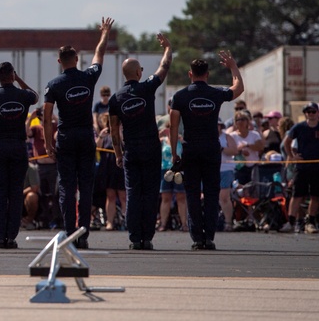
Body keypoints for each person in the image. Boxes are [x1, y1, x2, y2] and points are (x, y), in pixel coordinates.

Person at [43, 17, 113, 249]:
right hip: (85, 137)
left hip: (65, 137)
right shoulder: (88, 77)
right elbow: (99, 54)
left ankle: (69, 232)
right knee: (85, 187)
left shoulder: (54, 84)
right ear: (75, 59)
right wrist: (104, 33)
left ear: (59, 61)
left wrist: (47, 143)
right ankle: (82, 234)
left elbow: (46, 115)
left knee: (66, 187)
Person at [169, 51, 244, 251]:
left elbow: (173, 126)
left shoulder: (180, 96)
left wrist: (175, 152)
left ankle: (197, 238)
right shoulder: (215, 93)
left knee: (192, 193)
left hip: (190, 148)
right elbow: (238, 89)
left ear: (189, 74)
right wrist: (233, 66)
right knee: (212, 193)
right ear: (207, 74)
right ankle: (209, 237)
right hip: (211, 148)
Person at [108, 33, 172, 250]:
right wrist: (167, 48)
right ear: (138, 72)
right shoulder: (147, 87)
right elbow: (164, 67)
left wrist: (118, 154)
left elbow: (114, 130)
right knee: (150, 192)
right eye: (142, 70)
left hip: (131, 149)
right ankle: (147, 237)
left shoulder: (116, 98)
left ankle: (135, 238)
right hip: (150, 147)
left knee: (133, 192)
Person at [0, 62, 38, 249]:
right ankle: (11, 237)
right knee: (15, 194)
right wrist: (18, 79)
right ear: (12, 75)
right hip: (18, 148)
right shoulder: (23, 95)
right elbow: (35, 97)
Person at [284, 102, 319, 234]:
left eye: (313, 111)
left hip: (318, 165)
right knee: (297, 194)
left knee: (315, 196)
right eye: (308, 112)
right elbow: (287, 141)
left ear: (318, 113)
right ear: (305, 114)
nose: (311, 114)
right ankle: (290, 222)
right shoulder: (299, 127)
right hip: (302, 166)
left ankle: (310, 222)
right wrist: (292, 156)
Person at [228, 110, 264, 186]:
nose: (240, 122)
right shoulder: (232, 136)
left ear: (247, 122)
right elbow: (229, 151)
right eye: (238, 120)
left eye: (243, 119)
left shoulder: (254, 134)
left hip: (253, 166)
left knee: (254, 188)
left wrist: (247, 145)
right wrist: (240, 151)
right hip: (239, 168)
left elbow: (260, 147)